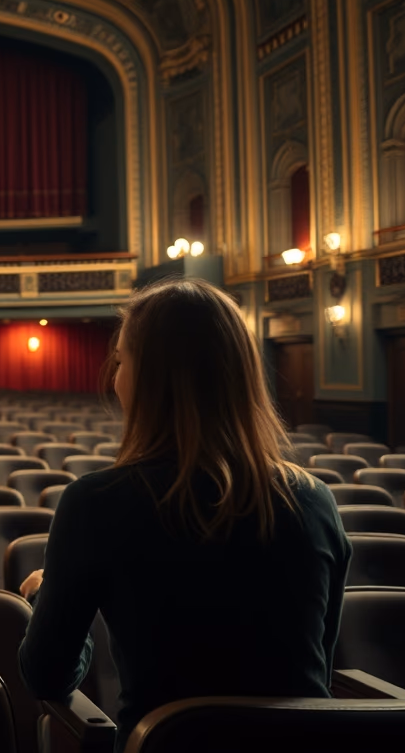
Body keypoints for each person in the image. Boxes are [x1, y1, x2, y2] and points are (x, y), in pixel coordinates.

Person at [17, 278, 351, 749]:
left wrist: (47, 593)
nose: (114, 378)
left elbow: (46, 678)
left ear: (148, 378)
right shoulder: (314, 499)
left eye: (121, 362)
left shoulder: (95, 502)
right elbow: (320, 664)